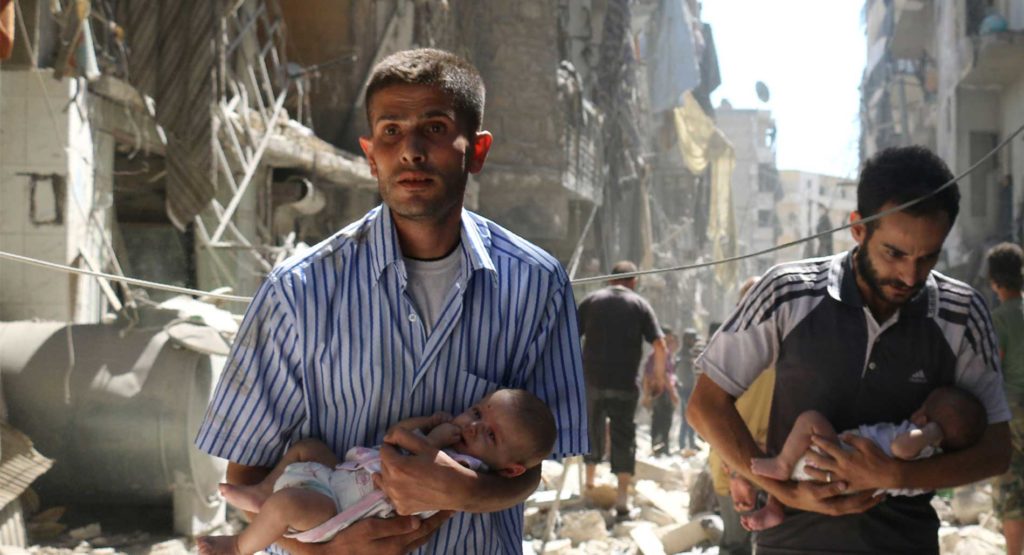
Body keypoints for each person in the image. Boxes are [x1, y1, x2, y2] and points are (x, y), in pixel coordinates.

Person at [194, 48, 587, 555]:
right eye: (391, 131)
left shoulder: (536, 285)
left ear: (479, 150)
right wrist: (332, 550)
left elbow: (531, 467)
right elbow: (246, 481)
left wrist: (468, 491)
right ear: (370, 153)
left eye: (437, 128)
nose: (411, 151)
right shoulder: (298, 291)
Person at [687, 145, 1011, 554]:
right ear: (858, 229)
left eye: (927, 257)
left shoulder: (962, 315)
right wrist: (784, 492)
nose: (910, 275)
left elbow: (997, 451)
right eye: (894, 253)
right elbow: (705, 405)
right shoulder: (786, 293)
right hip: (790, 545)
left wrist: (896, 476)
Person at [198, 389, 556, 555]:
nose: (474, 426)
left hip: (339, 515)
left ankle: (238, 546)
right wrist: (427, 424)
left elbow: (432, 472)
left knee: (288, 504)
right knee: (307, 448)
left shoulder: (469, 469)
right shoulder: (451, 439)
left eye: (490, 435)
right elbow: (395, 435)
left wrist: (436, 437)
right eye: (477, 413)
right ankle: (263, 490)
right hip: (339, 476)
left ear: (509, 468)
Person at [744, 386, 987, 531]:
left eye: (922, 410)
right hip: (851, 485)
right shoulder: (930, 473)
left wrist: (932, 431)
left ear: (924, 420)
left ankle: (782, 466)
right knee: (786, 463)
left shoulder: (920, 445)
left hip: (839, 458)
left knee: (810, 420)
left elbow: (900, 448)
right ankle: (773, 506)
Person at [578, 260, 667, 518]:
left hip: (592, 382)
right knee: (624, 437)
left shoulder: (592, 300)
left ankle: (589, 487)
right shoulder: (640, 304)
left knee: (591, 432)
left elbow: (568, 336)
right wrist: (658, 378)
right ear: (634, 281)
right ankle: (621, 499)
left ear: (609, 279)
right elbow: (659, 344)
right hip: (625, 384)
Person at [706, 275, 775, 555]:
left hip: (773, 465)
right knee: (737, 545)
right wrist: (737, 471)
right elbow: (710, 415)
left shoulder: (784, 347)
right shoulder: (731, 350)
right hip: (735, 467)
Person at [987, 242, 1024, 554]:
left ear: (993, 281)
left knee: (1011, 491)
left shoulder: (998, 319)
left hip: (1013, 412)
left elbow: (993, 367)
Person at [642, 327, 680, 456]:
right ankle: (661, 448)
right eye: (669, 337)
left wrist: (647, 395)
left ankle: (659, 447)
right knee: (663, 421)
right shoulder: (661, 354)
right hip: (662, 392)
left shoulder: (656, 354)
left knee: (658, 421)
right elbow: (662, 374)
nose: (671, 340)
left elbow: (647, 376)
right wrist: (672, 393)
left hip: (658, 392)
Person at [676, 328, 700, 455]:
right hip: (684, 390)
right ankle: (682, 444)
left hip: (691, 389)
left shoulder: (689, 353)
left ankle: (691, 443)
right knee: (686, 417)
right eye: (692, 339)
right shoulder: (682, 354)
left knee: (692, 417)